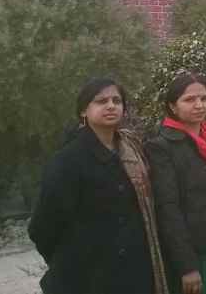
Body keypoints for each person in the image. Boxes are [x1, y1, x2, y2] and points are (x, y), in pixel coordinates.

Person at [29, 77, 168, 294]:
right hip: (86, 278)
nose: (111, 106)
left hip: (134, 275)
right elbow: (42, 227)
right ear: (83, 111)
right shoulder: (68, 161)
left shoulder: (133, 152)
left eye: (116, 101)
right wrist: (69, 261)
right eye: (101, 101)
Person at [145, 72, 206, 294]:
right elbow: (168, 210)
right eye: (189, 99)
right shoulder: (161, 147)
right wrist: (187, 266)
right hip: (194, 250)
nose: (199, 105)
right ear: (173, 106)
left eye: (204, 98)